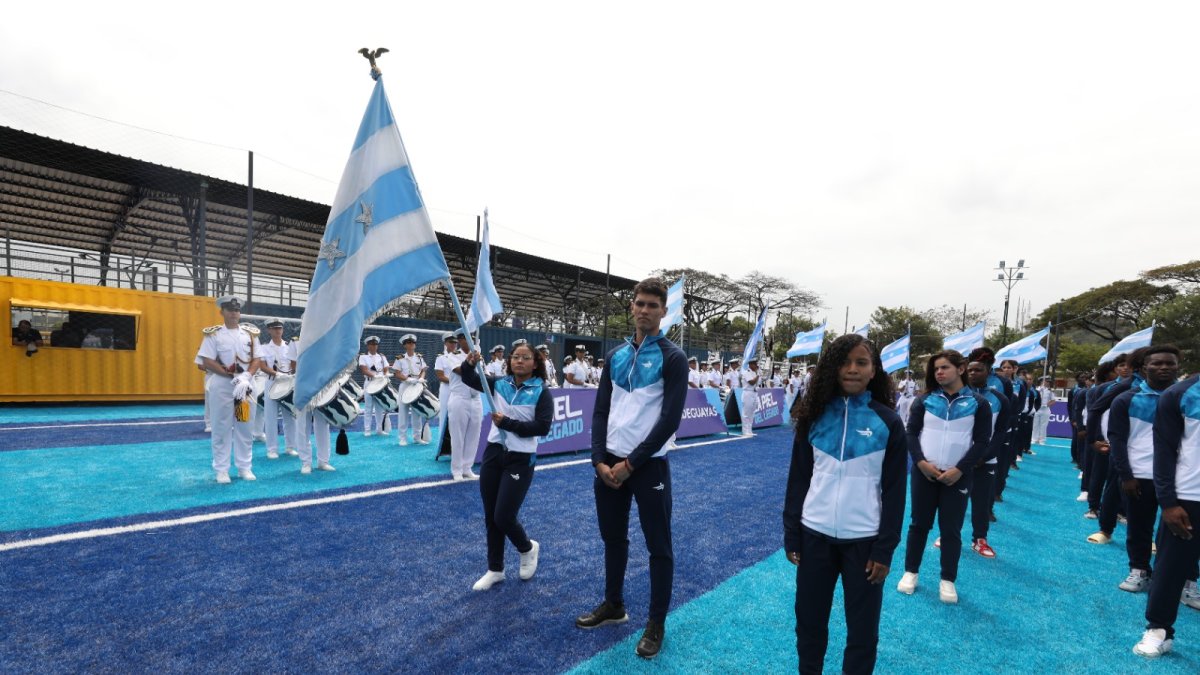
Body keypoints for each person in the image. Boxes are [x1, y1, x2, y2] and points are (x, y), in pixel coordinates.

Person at [575, 278, 688, 660]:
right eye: (639, 303)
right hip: (608, 463)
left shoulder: (674, 358)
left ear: (663, 311)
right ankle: (614, 605)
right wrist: (598, 459)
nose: (644, 310)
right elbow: (601, 410)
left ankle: (656, 623)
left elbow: (669, 420)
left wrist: (630, 464)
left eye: (652, 305)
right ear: (632, 307)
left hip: (647, 466)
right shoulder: (615, 356)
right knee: (613, 539)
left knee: (659, 547)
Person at [783, 334, 907, 675]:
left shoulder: (888, 422)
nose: (852, 369)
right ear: (832, 369)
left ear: (873, 371)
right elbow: (798, 480)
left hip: (864, 543)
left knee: (863, 633)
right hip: (814, 536)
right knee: (809, 623)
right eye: (844, 362)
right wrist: (792, 533)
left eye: (861, 363)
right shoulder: (813, 417)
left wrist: (885, 549)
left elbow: (896, 492)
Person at [459, 341, 554, 591]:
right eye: (515, 357)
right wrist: (469, 362)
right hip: (494, 453)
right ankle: (495, 569)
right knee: (491, 516)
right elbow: (469, 378)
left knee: (504, 515)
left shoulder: (541, 391)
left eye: (525, 357)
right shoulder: (498, 384)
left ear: (535, 363)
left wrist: (508, 423)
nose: (519, 361)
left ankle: (527, 548)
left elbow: (542, 428)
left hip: (520, 458)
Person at [897, 350, 990, 603]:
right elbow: (911, 433)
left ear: (960, 369)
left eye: (945, 367)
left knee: (951, 530)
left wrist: (960, 469)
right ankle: (910, 572)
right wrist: (920, 463)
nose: (939, 372)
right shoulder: (924, 400)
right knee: (919, 525)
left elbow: (982, 441)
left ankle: (947, 580)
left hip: (957, 476)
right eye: (936, 368)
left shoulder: (978, 403)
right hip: (923, 474)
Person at [1131, 356, 1200, 657]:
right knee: (1170, 570)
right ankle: (1158, 630)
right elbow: (1164, 452)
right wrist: (1169, 502)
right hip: (1190, 498)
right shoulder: (1181, 394)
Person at [1102, 346, 1182, 594]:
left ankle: (1185, 580)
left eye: (1170, 364)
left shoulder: (1188, 398)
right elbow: (1116, 440)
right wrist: (1126, 475)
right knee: (1139, 526)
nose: (1164, 368)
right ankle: (1139, 570)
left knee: (1182, 531)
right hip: (1139, 476)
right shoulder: (1126, 399)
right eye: (1157, 364)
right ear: (1143, 368)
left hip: (1181, 477)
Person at [195, 296, 260, 484]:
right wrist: (229, 375)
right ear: (221, 312)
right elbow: (207, 360)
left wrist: (246, 376)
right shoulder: (213, 335)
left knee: (243, 425)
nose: (234, 313)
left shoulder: (250, 335)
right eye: (230, 310)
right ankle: (222, 469)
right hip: (223, 387)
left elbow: (257, 359)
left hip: (243, 389)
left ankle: (244, 467)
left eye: (237, 310)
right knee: (221, 427)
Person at [965, 360, 1012, 558]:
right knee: (953, 504)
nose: (973, 373)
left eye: (978, 370)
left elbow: (1001, 432)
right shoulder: (957, 396)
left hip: (985, 461)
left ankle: (979, 539)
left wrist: (984, 456)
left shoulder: (1000, 399)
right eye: (970, 370)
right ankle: (948, 535)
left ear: (989, 372)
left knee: (982, 503)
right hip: (959, 462)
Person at [289, 332, 335, 474]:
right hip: (303, 385)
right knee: (303, 425)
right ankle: (306, 462)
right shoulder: (296, 342)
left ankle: (323, 461)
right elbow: (293, 365)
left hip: (321, 386)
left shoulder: (325, 338)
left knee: (322, 424)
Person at [258, 318, 298, 459]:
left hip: (287, 383)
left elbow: (294, 364)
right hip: (272, 382)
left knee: (290, 416)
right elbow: (262, 366)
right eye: (274, 328)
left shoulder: (289, 346)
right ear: (269, 330)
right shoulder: (263, 348)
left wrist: (292, 376)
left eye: (279, 328)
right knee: (270, 417)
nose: (277, 330)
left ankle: (290, 447)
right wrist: (277, 374)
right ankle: (272, 449)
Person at [447, 329, 483, 481]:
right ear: (460, 341)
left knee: (473, 435)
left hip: (476, 399)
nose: (469, 342)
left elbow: (484, 376)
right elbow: (462, 371)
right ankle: (456, 470)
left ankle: (468, 467)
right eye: (465, 339)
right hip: (459, 398)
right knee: (458, 436)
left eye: (472, 339)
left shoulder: (479, 357)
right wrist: (472, 361)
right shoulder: (453, 356)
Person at [390, 334, 429, 446]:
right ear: (405, 345)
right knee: (403, 412)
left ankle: (417, 437)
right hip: (406, 385)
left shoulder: (419, 358)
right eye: (408, 343)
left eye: (413, 342)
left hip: (417, 385)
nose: (411, 344)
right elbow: (397, 373)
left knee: (417, 412)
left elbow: (423, 370)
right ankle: (402, 438)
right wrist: (408, 379)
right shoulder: (400, 358)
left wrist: (421, 378)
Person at [358, 336, 390, 437]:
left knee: (379, 407)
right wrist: (375, 375)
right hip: (370, 383)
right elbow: (364, 370)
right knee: (368, 407)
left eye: (376, 344)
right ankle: (367, 430)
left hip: (380, 383)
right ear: (368, 345)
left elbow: (386, 368)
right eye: (372, 344)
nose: (374, 346)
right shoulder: (363, 357)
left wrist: (386, 375)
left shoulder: (381, 356)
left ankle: (379, 429)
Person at [1032, 377, 1056, 445]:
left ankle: (1042, 440)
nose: (1048, 383)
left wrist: (1047, 405)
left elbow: (1053, 401)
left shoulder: (1050, 390)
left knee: (1044, 425)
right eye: (1046, 381)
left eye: (1048, 382)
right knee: (1035, 425)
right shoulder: (1036, 389)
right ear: (1042, 381)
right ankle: (1034, 439)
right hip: (1037, 409)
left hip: (1045, 409)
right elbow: (1033, 398)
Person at [741, 357, 761, 437]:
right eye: (755, 364)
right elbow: (752, 382)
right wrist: (758, 375)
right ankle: (745, 430)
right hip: (748, 393)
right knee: (746, 413)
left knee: (752, 413)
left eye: (756, 364)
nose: (756, 365)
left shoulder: (755, 372)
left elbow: (758, 383)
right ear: (750, 364)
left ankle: (749, 430)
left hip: (754, 393)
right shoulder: (746, 372)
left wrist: (758, 374)